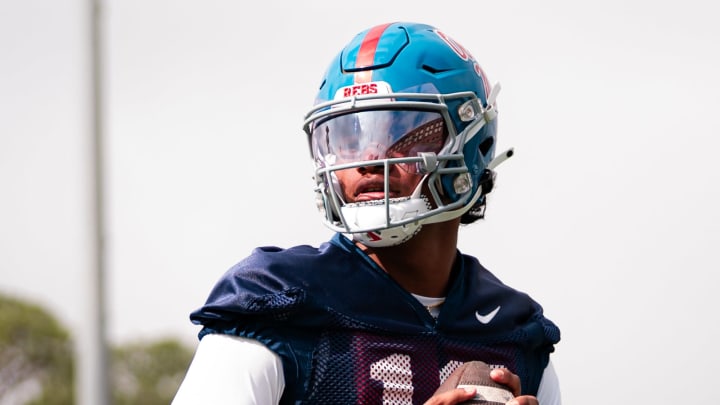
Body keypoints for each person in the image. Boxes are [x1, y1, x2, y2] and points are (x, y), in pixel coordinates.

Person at [172, 21, 561, 405]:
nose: (369, 159)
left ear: (474, 145)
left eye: (402, 131)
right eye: (349, 137)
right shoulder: (279, 305)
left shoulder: (515, 333)